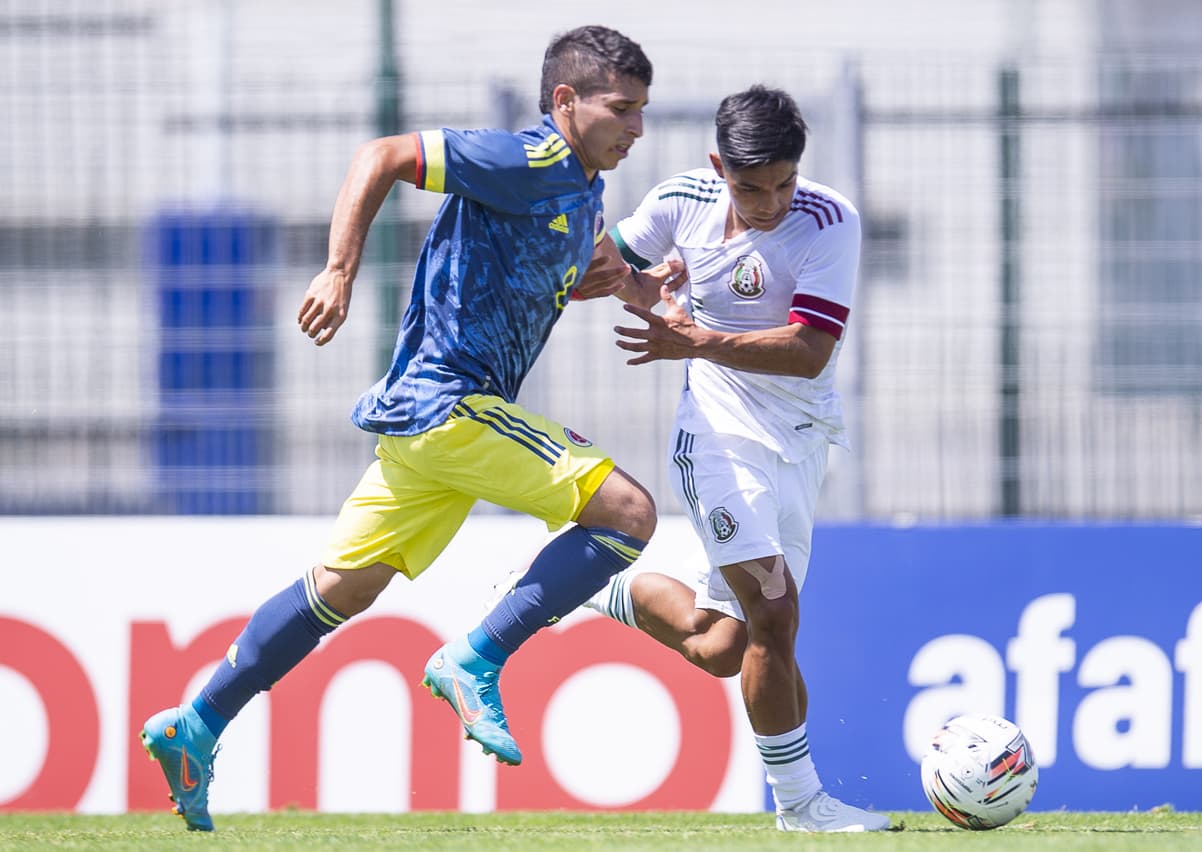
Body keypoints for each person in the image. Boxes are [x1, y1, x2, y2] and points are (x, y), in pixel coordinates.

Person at [138, 25, 671, 832]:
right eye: (622, 110)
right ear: (565, 102)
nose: (637, 129)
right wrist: (340, 269)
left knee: (339, 590)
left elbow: (591, 270)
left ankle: (199, 723)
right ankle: (475, 658)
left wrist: (646, 290)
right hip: (453, 405)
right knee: (629, 515)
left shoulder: (579, 189)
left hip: (429, 434)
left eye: (642, 112)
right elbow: (382, 154)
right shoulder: (529, 160)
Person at [576, 85, 891, 833]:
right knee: (775, 618)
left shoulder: (830, 221)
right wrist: (629, 280)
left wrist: (698, 337)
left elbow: (811, 352)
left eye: (783, 183)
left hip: (803, 437)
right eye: (752, 188)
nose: (771, 203)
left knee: (722, 646)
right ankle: (802, 807)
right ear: (718, 166)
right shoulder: (679, 200)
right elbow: (595, 266)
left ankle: (593, 584)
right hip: (717, 436)